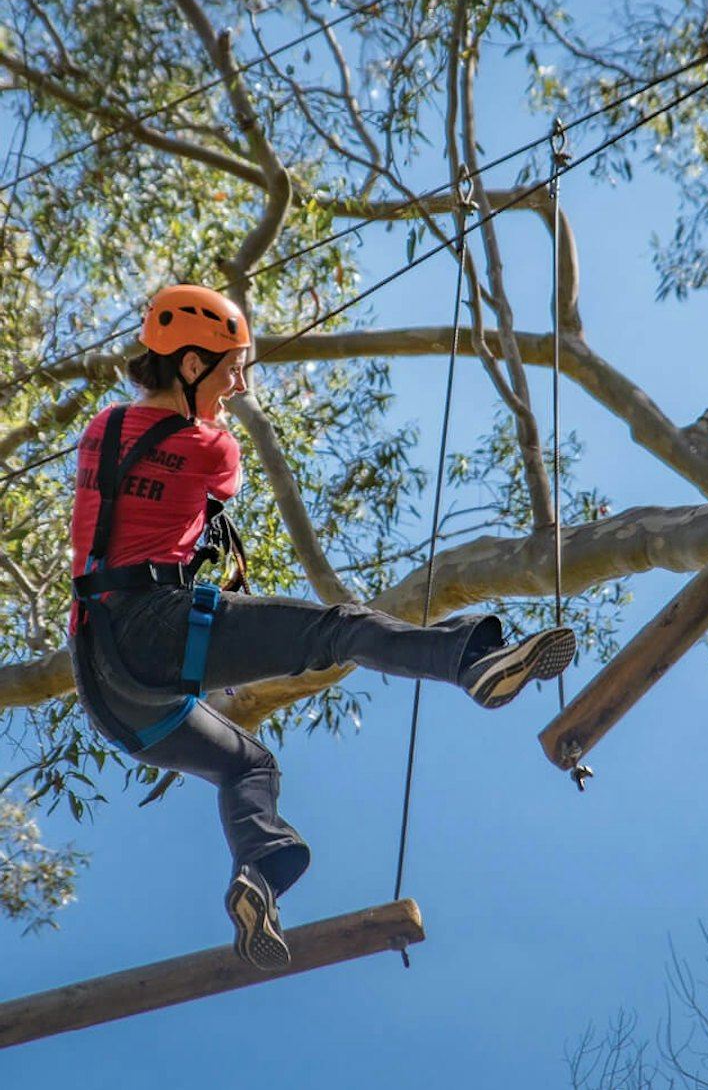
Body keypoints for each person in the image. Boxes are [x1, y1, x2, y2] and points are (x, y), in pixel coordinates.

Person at [67, 284, 576, 971]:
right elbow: (219, 483)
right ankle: (469, 660)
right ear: (189, 366)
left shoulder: (101, 429)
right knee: (340, 629)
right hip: (154, 631)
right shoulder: (211, 445)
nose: (238, 382)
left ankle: (260, 876)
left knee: (249, 764)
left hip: (107, 687)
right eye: (231, 366)